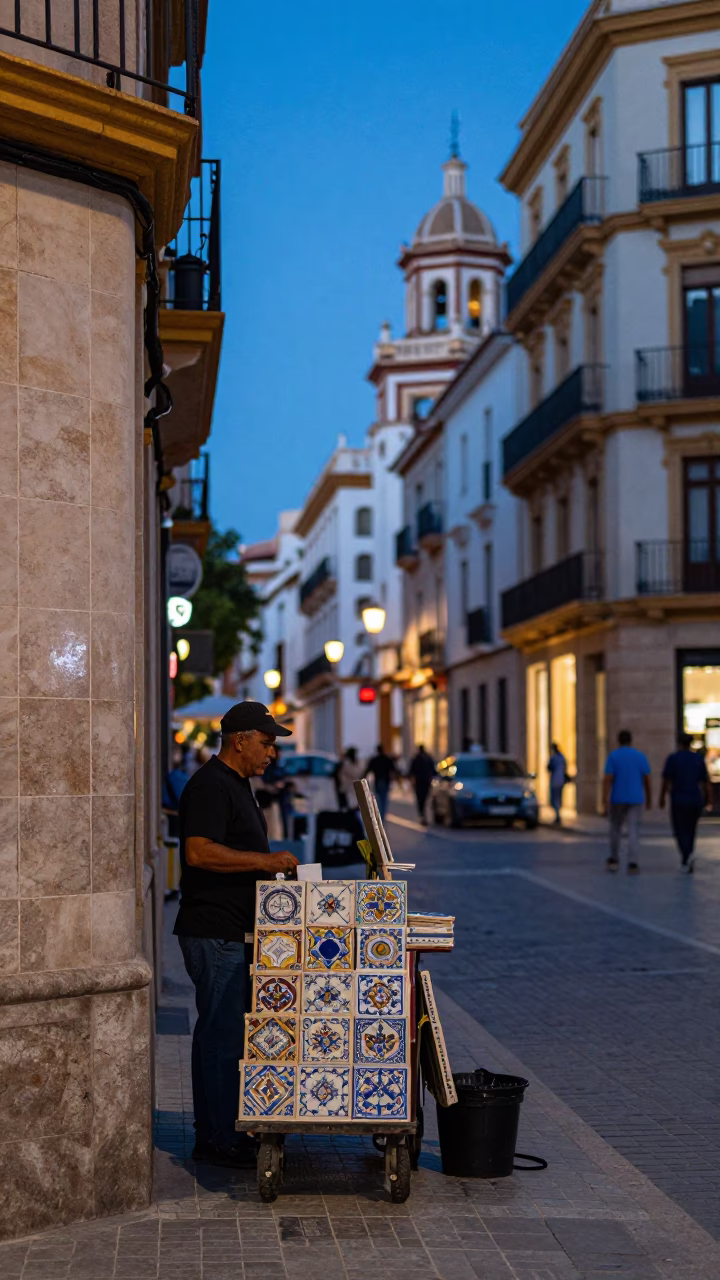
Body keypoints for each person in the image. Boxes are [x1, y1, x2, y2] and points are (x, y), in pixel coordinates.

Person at [174, 702, 299, 1167]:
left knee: (218, 1032)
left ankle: (215, 1130)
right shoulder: (210, 786)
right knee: (222, 1034)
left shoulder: (238, 785)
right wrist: (264, 862)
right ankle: (219, 1138)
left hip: (230, 931)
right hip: (214, 932)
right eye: (266, 743)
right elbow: (199, 852)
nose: (272, 753)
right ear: (239, 739)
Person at [602, 729, 651, 874]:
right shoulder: (640, 756)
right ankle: (633, 862)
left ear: (618, 741)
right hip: (636, 798)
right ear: (631, 740)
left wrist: (604, 799)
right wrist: (649, 798)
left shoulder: (614, 756)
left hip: (617, 798)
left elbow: (607, 779)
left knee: (615, 829)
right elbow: (647, 779)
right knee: (633, 830)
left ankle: (614, 859)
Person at [659, 733, 709, 873]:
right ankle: (688, 855)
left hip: (679, 799)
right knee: (691, 829)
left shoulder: (673, 759)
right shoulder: (698, 759)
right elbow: (705, 782)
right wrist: (707, 799)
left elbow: (666, 780)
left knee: (680, 829)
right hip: (694, 799)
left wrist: (662, 797)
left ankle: (686, 855)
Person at [363, 744, 397, 822]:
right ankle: (382, 817)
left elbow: (367, 770)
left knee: (378, 801)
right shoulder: (387, 759)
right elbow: (393, 770)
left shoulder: (375, 760)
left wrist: (362, 778)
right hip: (385, 782)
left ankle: (380, 817)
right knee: (384, 801)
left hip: (378, 782)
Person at [409, 744, 436, 826]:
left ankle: (422, 815)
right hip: (426, 782)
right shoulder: (428, 758)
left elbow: (411, 771)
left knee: (420, 800)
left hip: (419, 782)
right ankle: (423, 815)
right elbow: (433, 770)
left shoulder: (416, 758)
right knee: (424, 799)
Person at [547, 743, 567, 826]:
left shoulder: (554, 758)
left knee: (555, 799)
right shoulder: (561, 757)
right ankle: (557, 814)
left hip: (555, 780)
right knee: (558, 798)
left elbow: (548, 767)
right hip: (561, 780)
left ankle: (557, 815)